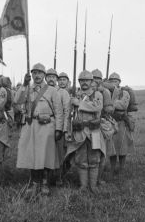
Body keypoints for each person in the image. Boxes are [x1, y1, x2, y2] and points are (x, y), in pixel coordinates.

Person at [14, 63, 63, 197]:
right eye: (34, 73)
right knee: (32, 154)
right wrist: (24, 84)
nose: (37, 75)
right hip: (31, 125)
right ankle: (34, 182)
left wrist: (59, 128)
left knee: (45, 154)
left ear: (44, 75)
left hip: (47, 126)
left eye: (40, 73)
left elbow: (58, 111)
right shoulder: (27, 89)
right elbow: (17, 100)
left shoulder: (52, 91)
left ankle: (45, 182)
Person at [65, 70, 105, 193]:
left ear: (91, 81)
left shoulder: (97, 94)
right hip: (79, 131)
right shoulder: (75, 95)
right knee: (80, 159)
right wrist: (68, 130)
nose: (84, 83)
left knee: (94, 159)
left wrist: (80, 104)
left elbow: (97, 107)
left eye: (87, 80)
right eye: (82, 80)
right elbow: (69, 115)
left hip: (94, 131)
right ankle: (83, 186)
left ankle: (93, 186)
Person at [106, 72, 134, 178]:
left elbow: (123, 105)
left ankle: (121, 169)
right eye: (111, 81)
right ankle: (112, 169)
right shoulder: (106, 92)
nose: (114, 83)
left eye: (116, 81)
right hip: (110, 122)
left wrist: (110, 103)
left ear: (119, 82)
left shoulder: (124, 93)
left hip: (122, 122)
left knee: (123, 147)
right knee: (111, 148)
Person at [54, 71, 71, 183]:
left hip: (65, 126)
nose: (62, 81)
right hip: (56, 124)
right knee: (57, 152)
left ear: (68, 82)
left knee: (64, 152)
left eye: (64, 80)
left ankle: (61, 176)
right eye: (60, 80)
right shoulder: (55, 91)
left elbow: (67, 112)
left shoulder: (66, 93)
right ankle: (58, 176)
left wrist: (64, 129)